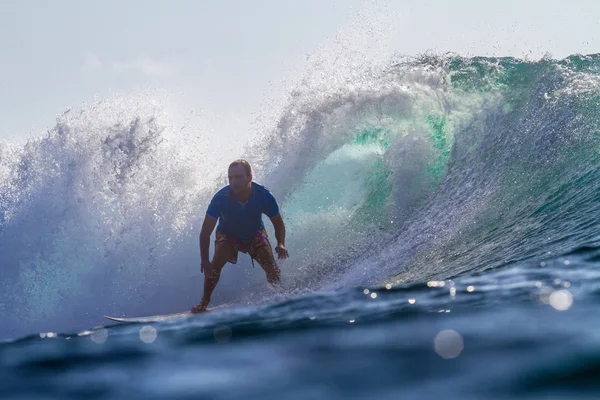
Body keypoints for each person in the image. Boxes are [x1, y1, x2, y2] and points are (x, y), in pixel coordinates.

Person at [191, 159, 289, 313]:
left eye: (238, 177)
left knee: (272, 267)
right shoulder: (220, 198)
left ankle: (279, 296)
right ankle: (204, 301)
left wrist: (281, 243)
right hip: (228, 234)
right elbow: (205, 232)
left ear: (250, 177)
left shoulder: (263, 195)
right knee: (216, 263)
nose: (234, 182)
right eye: (230, 178)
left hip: (254, 233)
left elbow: (278, 223)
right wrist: (205, 260)